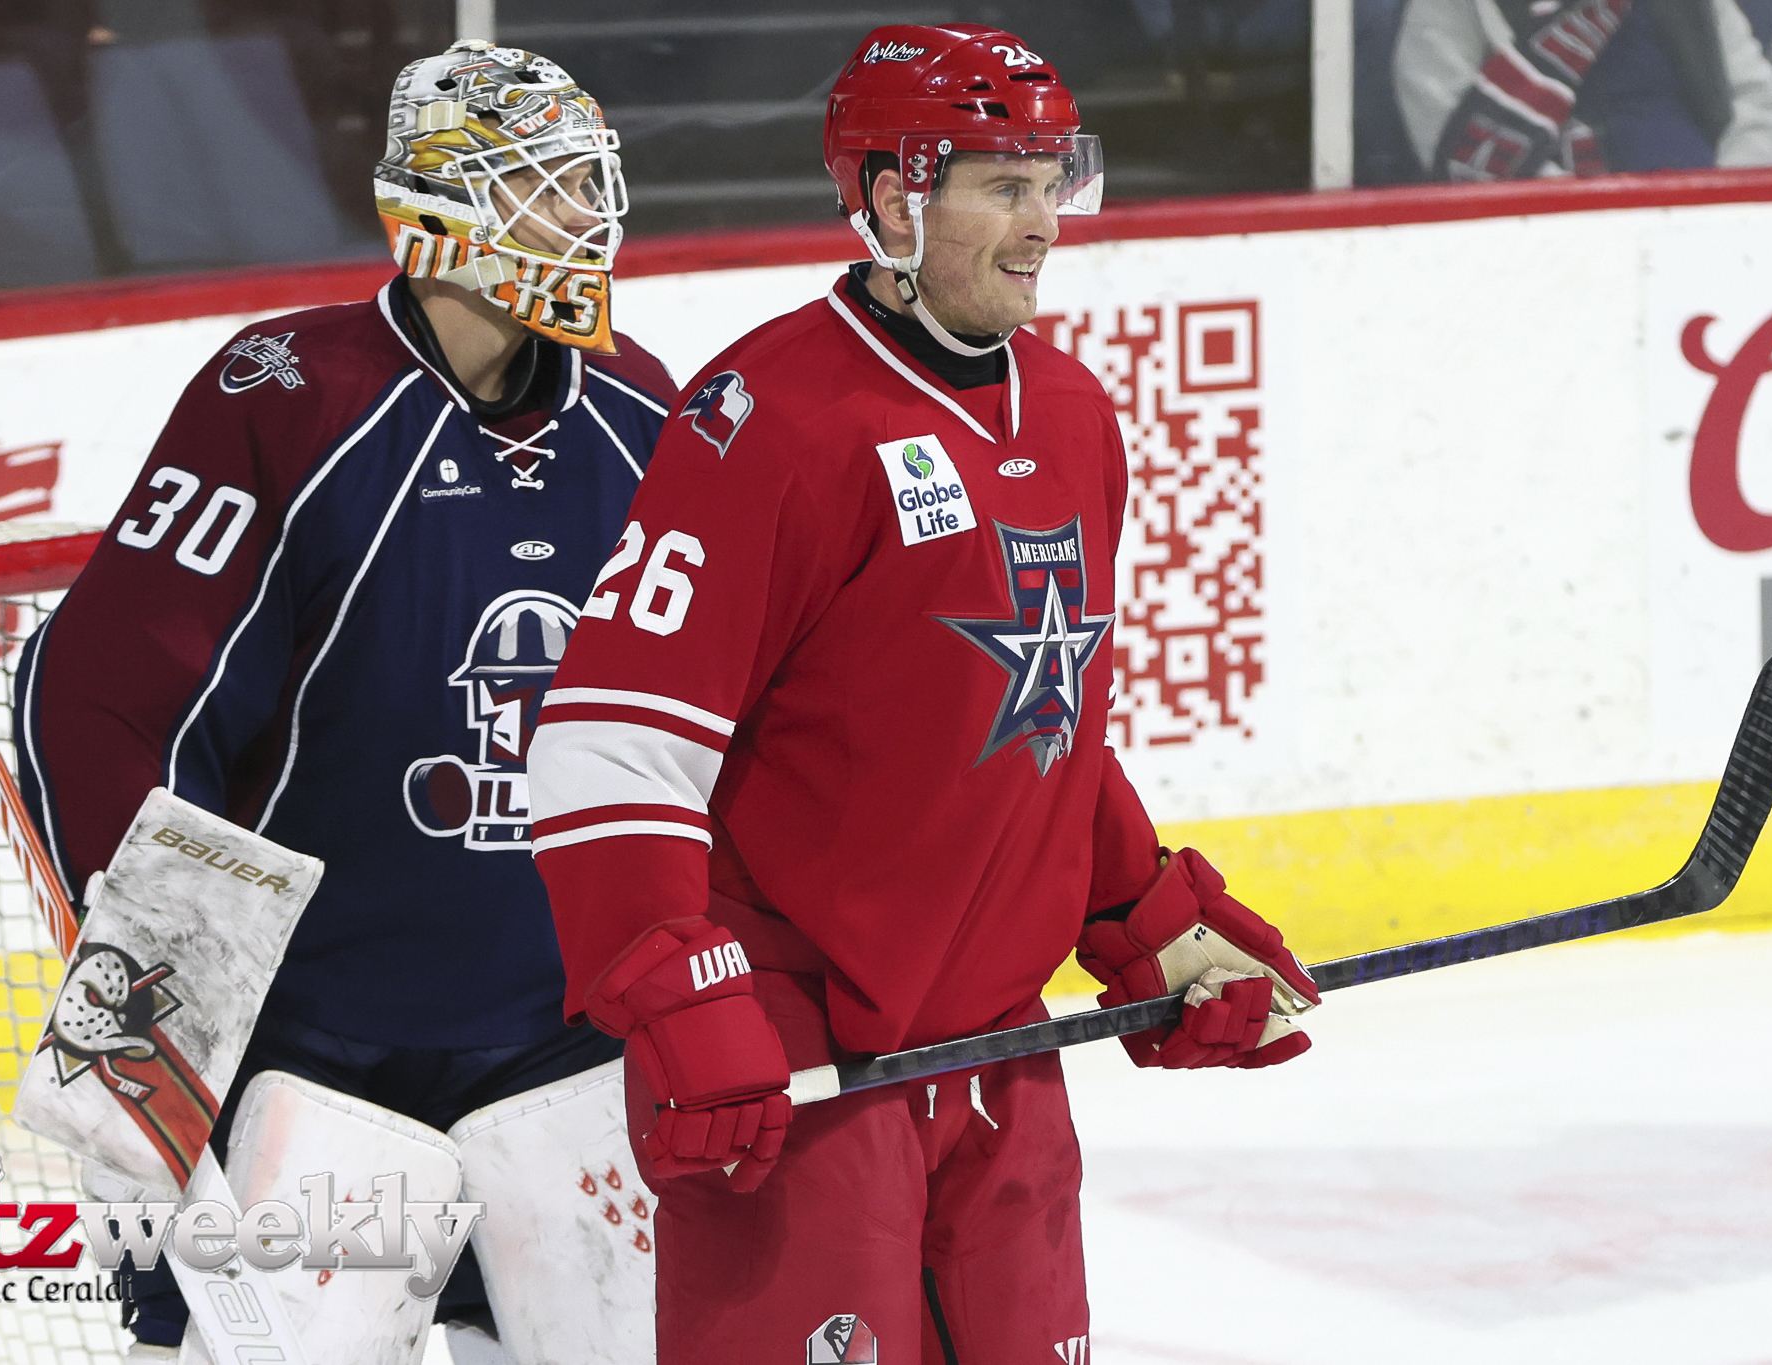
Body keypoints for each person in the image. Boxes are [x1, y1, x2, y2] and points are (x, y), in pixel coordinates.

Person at [525, 23, 1320, 1365]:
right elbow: (610, 741)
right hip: (802, 1063)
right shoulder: (770, 415)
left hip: (1000, 1058)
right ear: (897, 201)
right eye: (1005, 188)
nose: (1043, 224)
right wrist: (679, 990)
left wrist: (1146, 919)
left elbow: (1036, 731)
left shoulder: (1072, 415)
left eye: (1052, 182)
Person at [12, 39, 676, 1360]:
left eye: (587, 181)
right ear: (434, 208)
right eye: (539, 184)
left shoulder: (638, 410)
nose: (583, 218)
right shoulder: (291, 396)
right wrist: (155, 1007)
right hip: (313, 1044)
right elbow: (95, 701)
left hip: (562, 1038)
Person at [1394, 0, 1772, 177]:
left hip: (1713, 230)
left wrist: (1717, 208)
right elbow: (1443, 131)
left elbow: (1761, 107)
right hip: (1551, 247)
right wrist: (1590, 222)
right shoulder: (1451, 7)